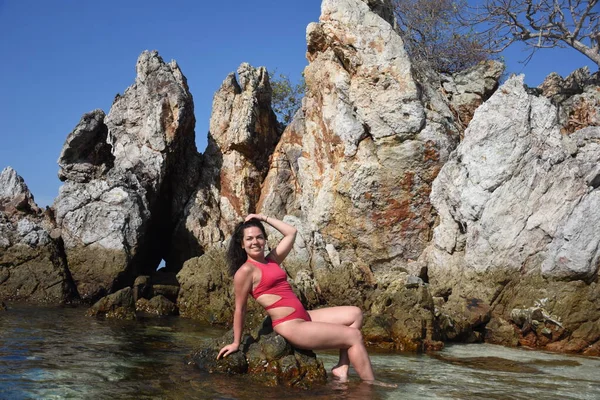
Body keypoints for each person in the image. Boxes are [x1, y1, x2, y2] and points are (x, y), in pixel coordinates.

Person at [217, 213, 391, 385]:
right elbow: (240, 309)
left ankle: (342, 366)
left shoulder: (271, 260)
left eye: (259, 237)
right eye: (249, 239)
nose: (255, 242)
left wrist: (262, 217)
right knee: (354, 336)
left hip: (305, 316)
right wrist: (236, 342)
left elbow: (291, 232)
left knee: (355, 314)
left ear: (265, 239)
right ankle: (370, 385)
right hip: (291, 326)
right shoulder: (245, 271)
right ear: (241, 244)